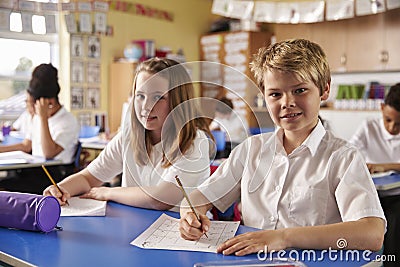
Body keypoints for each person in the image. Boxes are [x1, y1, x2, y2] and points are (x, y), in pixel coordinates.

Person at [179, 39, 386, 256]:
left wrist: (284, 237)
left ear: (324, 89)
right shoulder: (251, 150)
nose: (287, 102)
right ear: (264, 96)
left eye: (300, 90)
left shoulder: (343, 157)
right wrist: (190, 215)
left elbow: (372, 233)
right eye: (275, 94)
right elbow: (199, 198)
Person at [44, 58, 213, 210]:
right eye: (140, 96)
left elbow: (161, 199)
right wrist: (61, 189)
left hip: (179, 235)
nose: (146, 106)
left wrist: (108, 193)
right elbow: (89, 178)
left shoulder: (195, 142)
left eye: (158, 97)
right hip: (133, 228)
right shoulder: (129, 135)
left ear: (179, 101)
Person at [0, 63, 80, 194]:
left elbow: (49, 153)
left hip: (54, 176)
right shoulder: (38, 117)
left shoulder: (68, 121)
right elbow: (26, 145)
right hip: (33, 170)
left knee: (4, 188)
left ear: (50, 102)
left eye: (35, 103)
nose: (33, 108)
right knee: (7, 181)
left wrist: (43, 118)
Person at [349, 83, 400, 267]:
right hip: (373, 195)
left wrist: (383, 166)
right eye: (388, 120)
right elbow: (349, 152)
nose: (392, 127)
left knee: (393, 221)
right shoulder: (368, 126)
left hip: (397, 197)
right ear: (381, 108)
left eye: (399, 123)